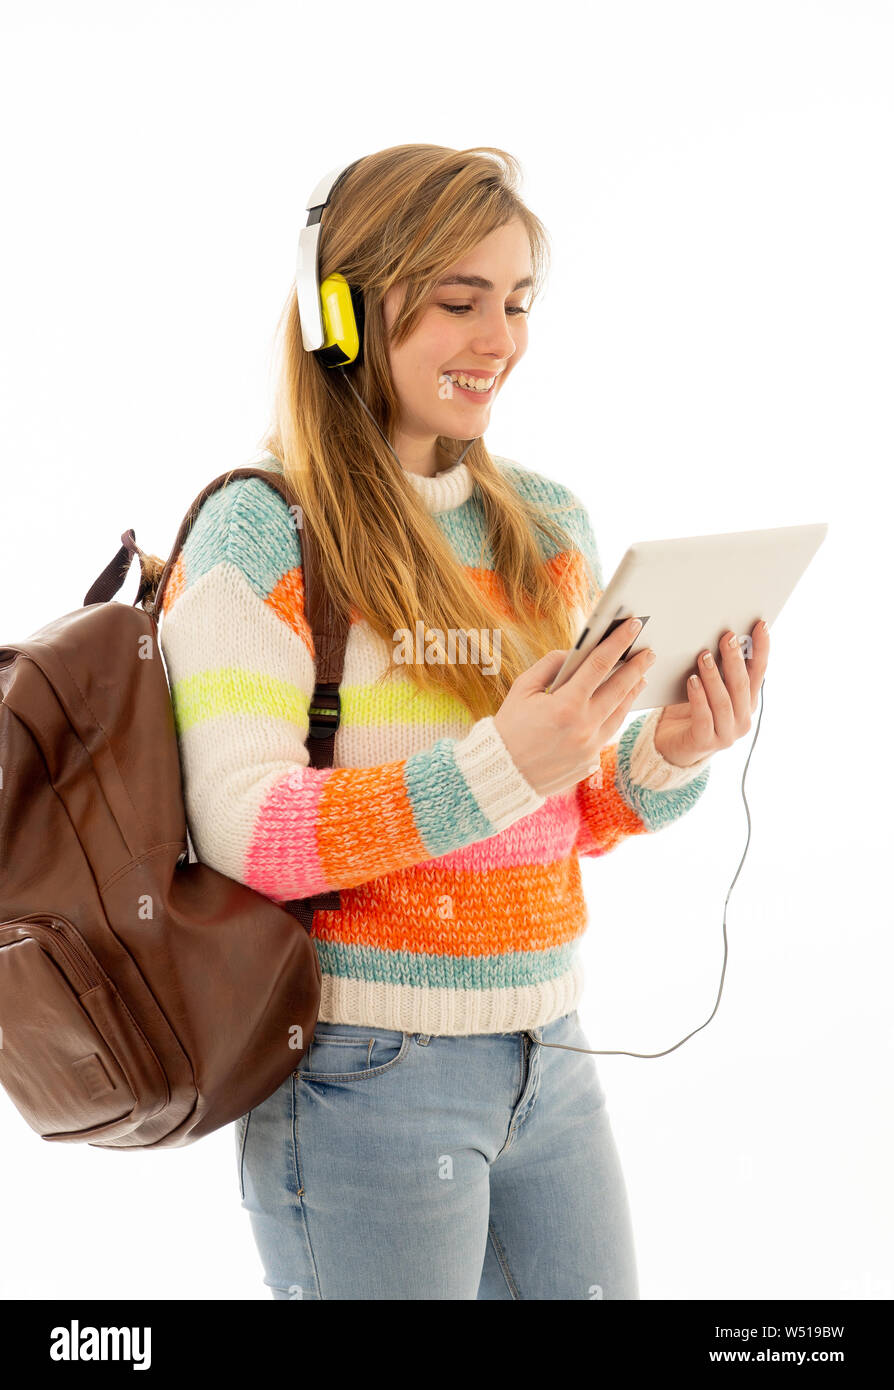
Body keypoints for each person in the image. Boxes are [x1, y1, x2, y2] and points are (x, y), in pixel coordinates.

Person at [156, 144, 769, 1300]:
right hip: (364, 1070)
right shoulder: (260, 532)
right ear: (337, 313)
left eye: (520, 303)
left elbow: (568, 806)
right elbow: (247, 829)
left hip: (553, 1054)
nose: (502, 340)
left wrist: (670, 754)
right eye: (460, 301)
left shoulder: (545, 524)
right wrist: (497, 762)